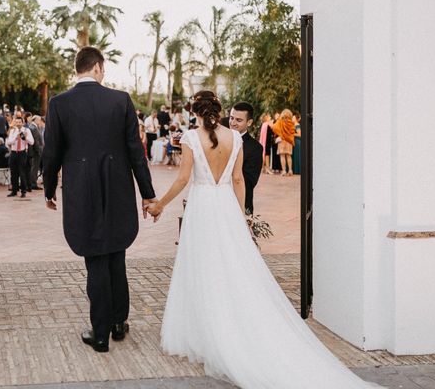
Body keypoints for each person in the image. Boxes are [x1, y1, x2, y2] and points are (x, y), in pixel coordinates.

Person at [145, 91, 378, 389]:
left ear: (197, 113)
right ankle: (224, 325)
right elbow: (239, 180)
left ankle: (209, 332)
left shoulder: (192, 137)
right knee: (232, 268)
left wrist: (160, 204)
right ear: (218, 111)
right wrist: (240, 216)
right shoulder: (236, 139)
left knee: (203, 267)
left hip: (203, 207)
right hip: (227, 206)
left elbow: (182, 179)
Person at [43, 46, 157, 353]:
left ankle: (101, 332)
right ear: (98, 68)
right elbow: (137, 152)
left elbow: (51, 152)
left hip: (82, 192)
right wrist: (147, 194)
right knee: (116, 255)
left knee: (95, 258)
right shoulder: (120, 101)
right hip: (118, 189)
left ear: (78, 68)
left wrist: (49, 188)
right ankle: (118, 323)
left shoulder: (59, 104)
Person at [229, 102, 263, 214]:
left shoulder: (255, 148)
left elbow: (249, 182)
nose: (233, 123)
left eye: (238, 120)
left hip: (239, 203)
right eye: (231, 118)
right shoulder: (219, 140)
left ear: (249, 122)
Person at [6, 116, 33, 198]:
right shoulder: (12, 131)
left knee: (22, 172)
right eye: (16, 122)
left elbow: (32, 142)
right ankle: (14, 190)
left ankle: (23, 191)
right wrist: (15, 138)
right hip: (14, 153)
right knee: (13, 172)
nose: (18, 124)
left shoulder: (27, 130)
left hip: (22, 153)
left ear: (22, 122)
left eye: (19, 122)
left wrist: (25, 138)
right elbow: (9, 142)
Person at [271, 109, 296, 176]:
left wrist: (280, 134)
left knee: (282, 156)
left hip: (282, 140)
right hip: (289, 141)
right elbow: (293, 132)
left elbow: (274, 127)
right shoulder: (291, 123)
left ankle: (284, 171)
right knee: (288, 156)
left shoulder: (280, 121)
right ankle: (290, 170)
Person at [26, 113, 44, 190]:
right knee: (34, 168)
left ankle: (32, 182)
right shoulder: (33, 128)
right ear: (36, 120)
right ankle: (33, 183)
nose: (40, 122)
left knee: (34, 167)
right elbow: (36, 141)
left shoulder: (33, 127)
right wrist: (38, 151)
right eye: (39, 120)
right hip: (35, 152)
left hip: (34, 151)